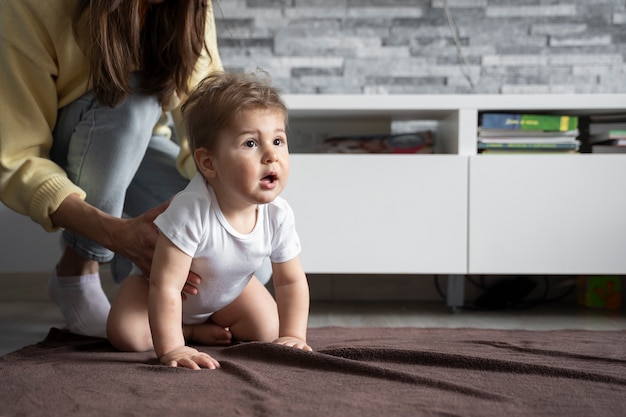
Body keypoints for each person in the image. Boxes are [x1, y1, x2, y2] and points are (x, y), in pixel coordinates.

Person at [0, 0, 262, 338]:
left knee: (248, 263)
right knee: (133, 102)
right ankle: (76, 270)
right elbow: (15, 155)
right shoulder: (28, 6)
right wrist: (116, 234)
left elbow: (205, 106)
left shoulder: (191, 6)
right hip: (68, 148)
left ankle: (176, 318)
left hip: (142, 141)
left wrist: (234, 185)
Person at [106, 71, 312, 370]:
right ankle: (188, 332)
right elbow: (165, 287)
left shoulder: (278, 214)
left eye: (278, 140)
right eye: (251, 144)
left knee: (268, 329)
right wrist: (174, 348)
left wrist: (293, 336)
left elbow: (291, 280)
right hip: (158, 294)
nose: (271, 155)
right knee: (127, 334)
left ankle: (205, 325)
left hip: (225, 294)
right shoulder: (191, 210)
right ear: (208, 163)